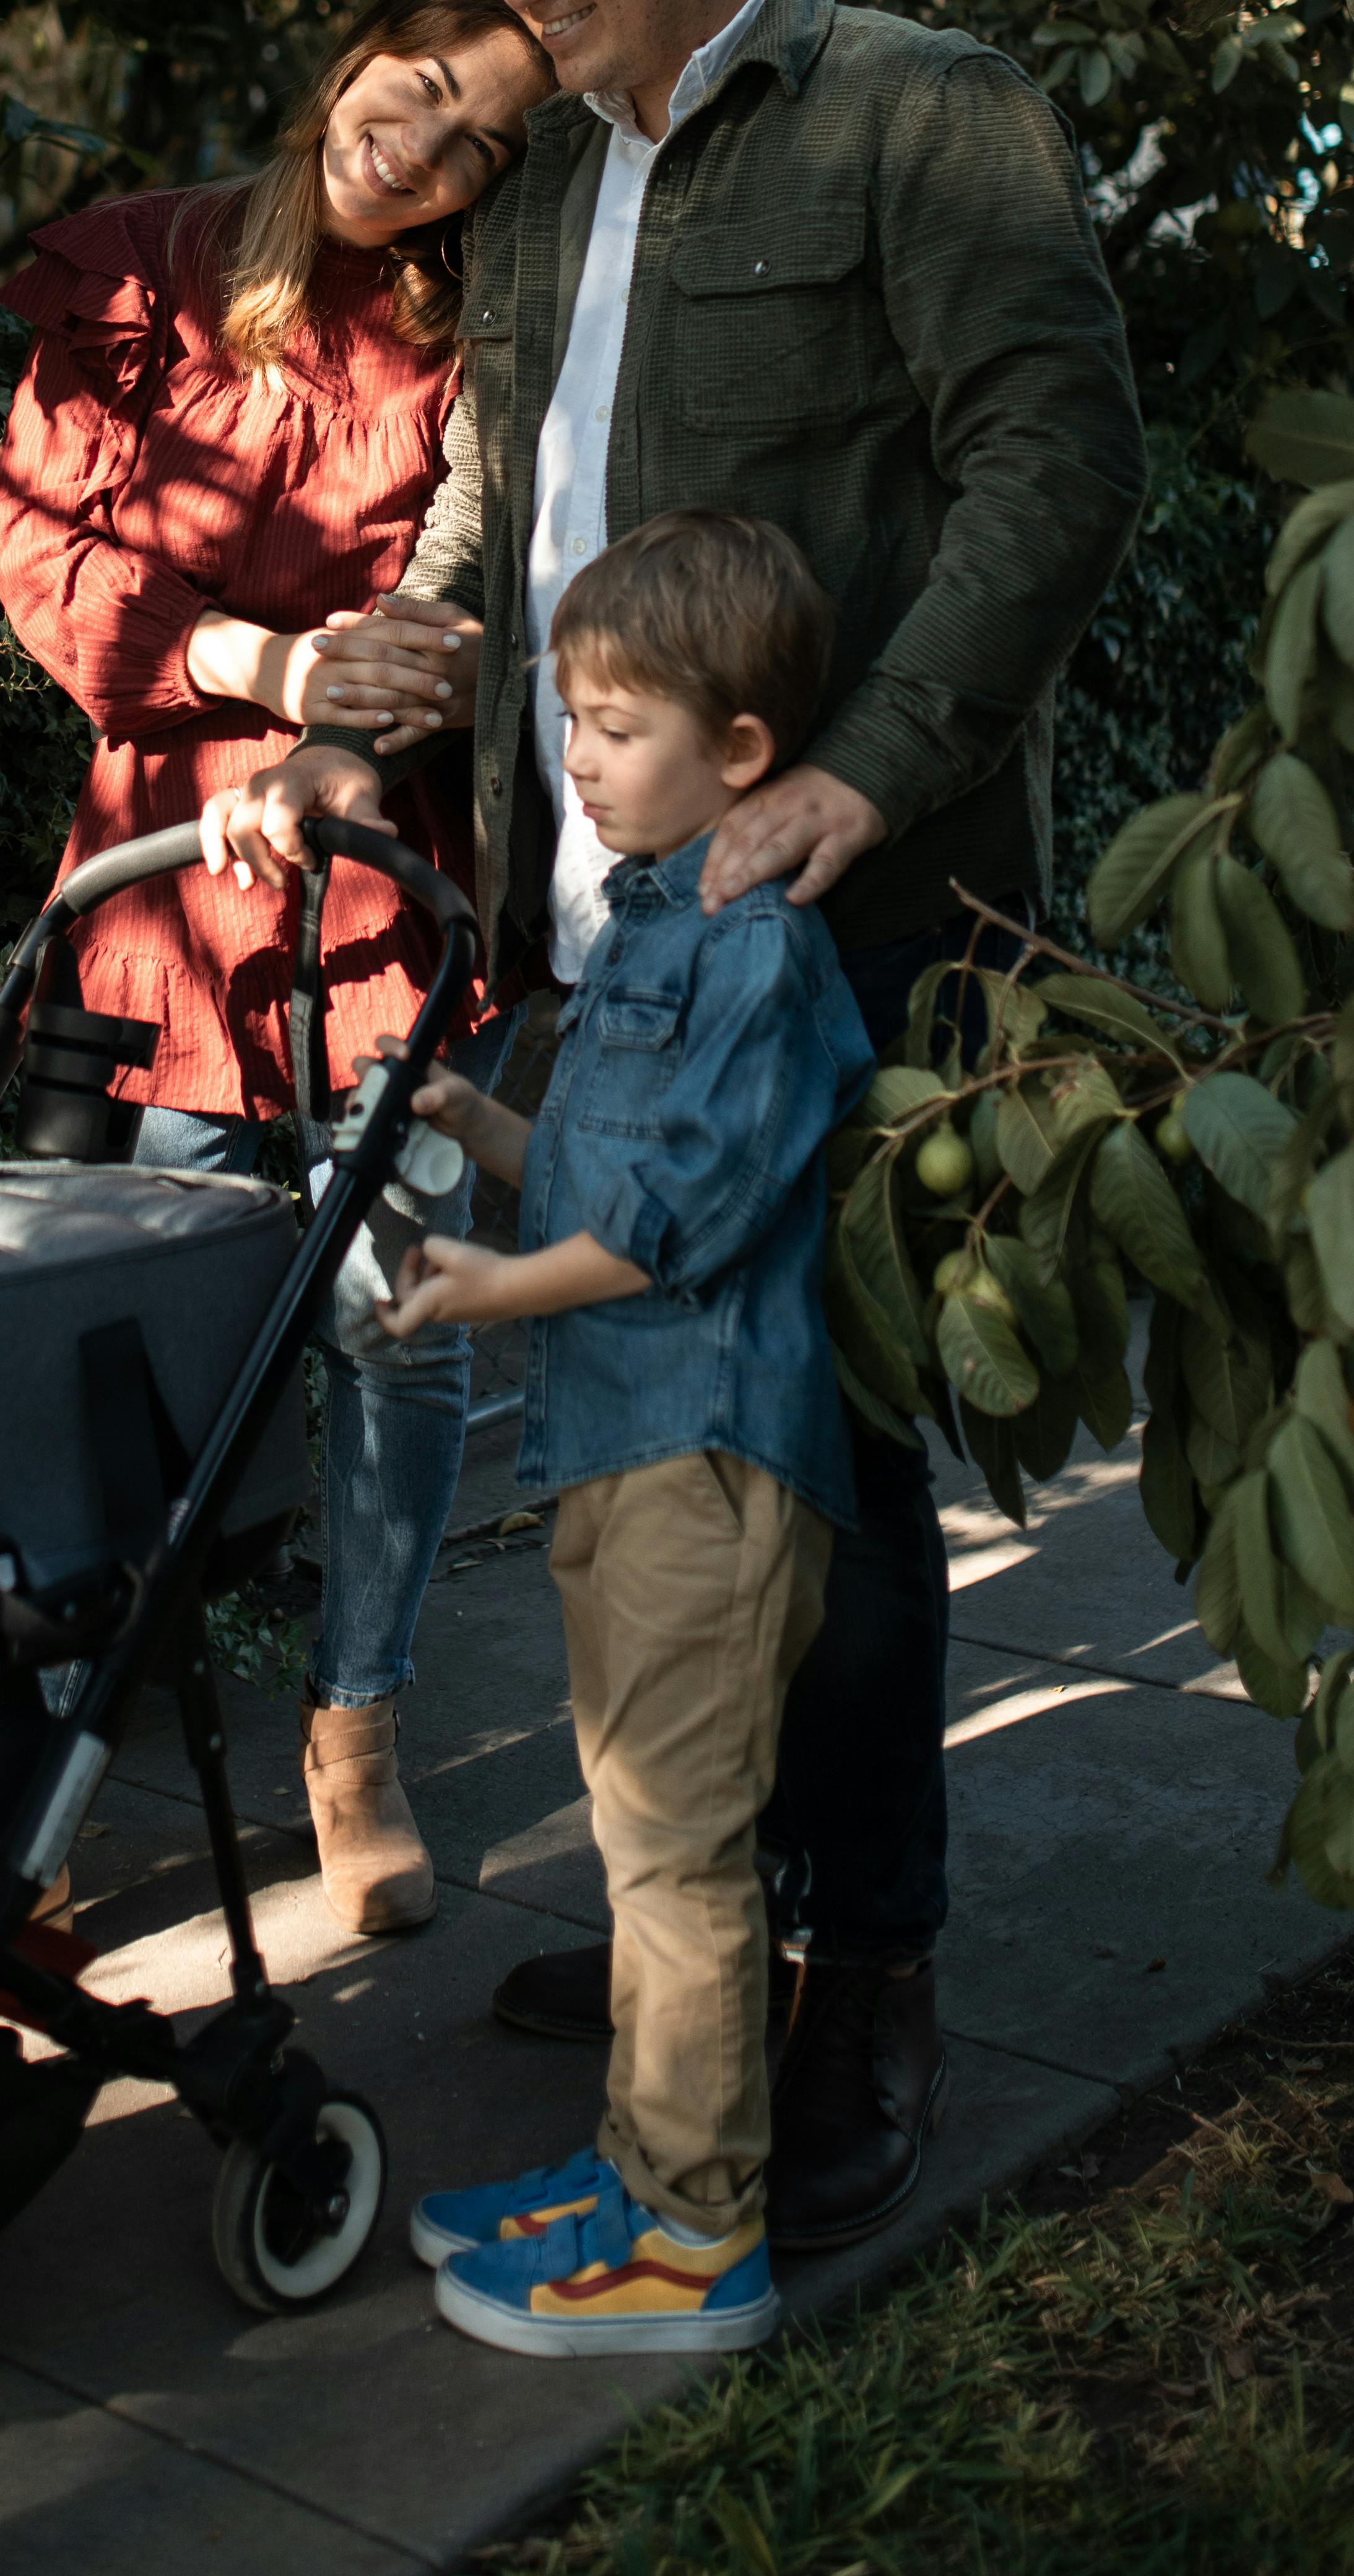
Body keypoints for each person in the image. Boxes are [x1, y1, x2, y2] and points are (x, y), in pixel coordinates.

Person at [210, 0, 1147, 2249]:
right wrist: (404, 661)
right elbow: (502, 506)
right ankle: (689, 1950)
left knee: (809, 1486)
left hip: (830, 934)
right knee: (644, 1455)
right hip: (594, 932)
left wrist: (861, 757)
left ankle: (874, 1981)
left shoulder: (914, 109)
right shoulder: (537, 181)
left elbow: (1057, 456)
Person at [0, 0, 553, 1936]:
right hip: (163, 886)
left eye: (477, 141)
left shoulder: (469, 348)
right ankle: (41, 1780)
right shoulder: (140, 266)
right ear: (356, 51)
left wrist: (344, 715)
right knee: (120, 1357)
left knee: (391, 1329)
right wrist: (260, 658)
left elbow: (460, 598)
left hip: (370, 878)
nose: (420, 146)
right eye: (415, 85)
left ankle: (359, 1723)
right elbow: (46, 555)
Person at [383, 506, 870, 2354]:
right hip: (617, 1448)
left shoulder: (752, 953)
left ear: (740, 752)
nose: (572, 756)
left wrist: (483, 1292)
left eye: (612, 722)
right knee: (642, 1836)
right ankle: (636, 2162)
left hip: (704, 1458)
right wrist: (482, 1127)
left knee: (678, 1860)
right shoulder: (652, 928)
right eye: (566, 718)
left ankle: (690, 2238)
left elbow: (681, 1213)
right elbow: (606, 1167)